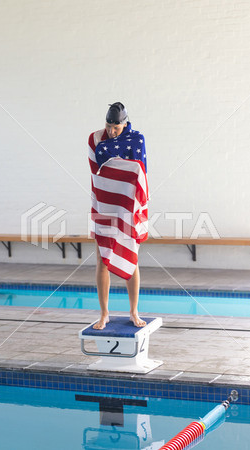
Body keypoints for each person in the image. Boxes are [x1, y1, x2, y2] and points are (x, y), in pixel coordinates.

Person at [88, 102, 148, 330]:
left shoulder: (137, 139)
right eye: (109, 126)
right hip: (105, 205)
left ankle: (134, 311)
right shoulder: (95, 139)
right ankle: (104, 314)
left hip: (128, 208)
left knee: (131, 258)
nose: (112, 132)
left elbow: (140, 172)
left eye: (117, 127)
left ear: (125, 123)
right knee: (102, 259)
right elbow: (96, 174)